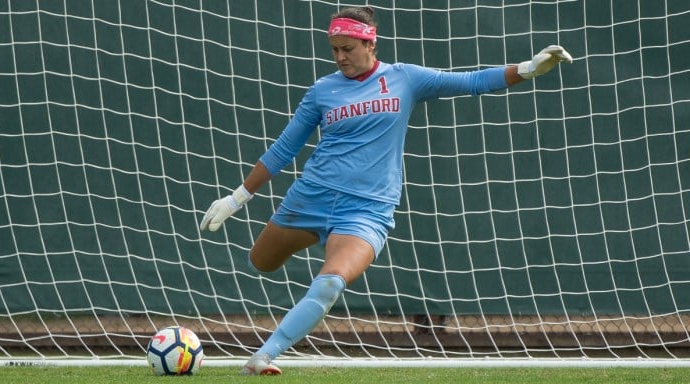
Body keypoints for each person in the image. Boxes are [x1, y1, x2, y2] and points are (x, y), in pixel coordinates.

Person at [200, 6, 572, 375]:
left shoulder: (404, 78)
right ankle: (267, 295)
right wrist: (236, 198)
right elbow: (285, 148)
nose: (340, 57)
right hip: (310, 198)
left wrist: (529, 69)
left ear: (370, 43)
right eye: (335, 50)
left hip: (367, 211)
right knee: (261, 262)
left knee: (330, 284)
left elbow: (471, 82)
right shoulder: (323, 91)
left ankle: (263, 356)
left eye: (348, 48)